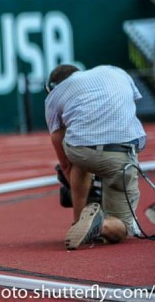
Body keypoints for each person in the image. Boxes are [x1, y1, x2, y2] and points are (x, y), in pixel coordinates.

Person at [44, 64, 147, 250]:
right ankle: (102, 224)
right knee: (122, 226)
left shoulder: (55, 95)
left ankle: (79, 218)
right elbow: (127, 107)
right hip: (121, 153)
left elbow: (63, 157)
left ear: (52, 87)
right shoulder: (114, 70)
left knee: (75, 153)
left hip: (81, 151)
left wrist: (72, 184)